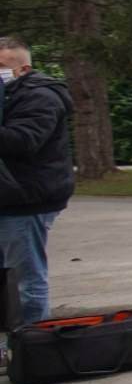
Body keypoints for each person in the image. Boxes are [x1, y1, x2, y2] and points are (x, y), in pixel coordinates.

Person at [0, 37, 75, 327]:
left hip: (26, 199)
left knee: (26, 280)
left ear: (23, 69)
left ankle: (32, 341)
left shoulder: (41, 97)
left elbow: (23, 140)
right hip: (8, 197)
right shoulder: (7, 95)